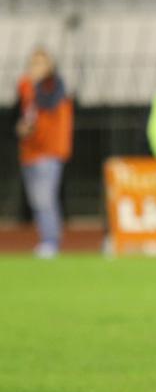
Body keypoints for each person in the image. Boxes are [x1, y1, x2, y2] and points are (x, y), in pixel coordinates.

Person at [14, 47, 73, 258]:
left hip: (49, 152)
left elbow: (49, 102)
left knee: (46, 198)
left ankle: (51, 241)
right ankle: (46, 240)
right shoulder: (25, 88)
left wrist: (33, 84)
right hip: (29, 152)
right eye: (33, 63)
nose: (35, 68)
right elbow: (23, 117)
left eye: (40, 63)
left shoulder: (52, 85)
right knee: (36, 200)